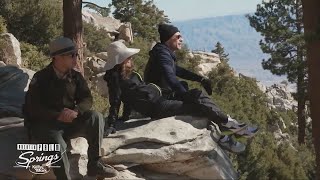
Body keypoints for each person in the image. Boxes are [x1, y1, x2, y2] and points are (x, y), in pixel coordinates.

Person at [103, 41, 258, 153]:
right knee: (198, 106)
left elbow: (128, 100)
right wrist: (112, 124)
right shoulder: (116, 81)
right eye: (128, 58)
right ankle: (226, 131)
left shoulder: (129, 76)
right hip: (158, 107)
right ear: (122, 61)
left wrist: (125, 117)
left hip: (162, 99)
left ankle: (228, 124)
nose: (131, 60)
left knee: (196, 95)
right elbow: (116, 101)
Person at [24, 37, 118, 180]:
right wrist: (57, 115)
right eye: (72, 55)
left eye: (76, 54)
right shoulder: (41, 78)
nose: (76, 58)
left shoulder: (75, 76)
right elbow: (32, 107)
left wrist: (76, 111)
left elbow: (87, 99)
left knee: (95, 117)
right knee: (58, 144)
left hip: (69, 122)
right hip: (46, 124)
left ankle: (94, 164)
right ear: (57, 57)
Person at [144, 23, 213, 99]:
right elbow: (170, 77)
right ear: (169, 38)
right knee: (197, 98)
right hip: (158, 99)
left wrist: (200, 79)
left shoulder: (163, 53)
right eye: (178, 37)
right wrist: (186, 96)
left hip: (160, 95)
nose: (181, 39)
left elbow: (179, 71)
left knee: (184, 85)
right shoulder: (162, 54)